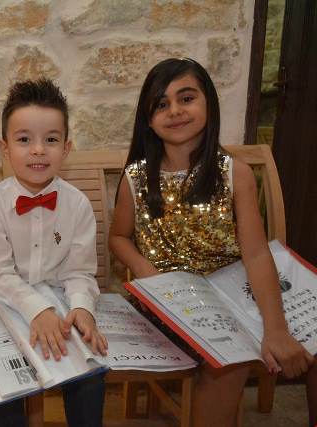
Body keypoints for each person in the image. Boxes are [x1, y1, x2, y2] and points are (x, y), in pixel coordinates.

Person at [108, 57, 314, 427]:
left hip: (231, 294)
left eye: (186, 98)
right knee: (231, 360)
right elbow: (118, 237)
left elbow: (256, 254)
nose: (175, 111)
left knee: (309, 335)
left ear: (209, 104)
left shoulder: (235, 173)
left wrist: (276, 329)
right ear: (148, 119)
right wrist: (145, 270)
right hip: (167, 301)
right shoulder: (136, 178)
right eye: (161, 104)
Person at [0, 79, 108, 427]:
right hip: (8, 303)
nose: (38, 150)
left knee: (90, 372)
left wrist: (82, 308)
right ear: (5, 149)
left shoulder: (77, 204)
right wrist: (37, 310)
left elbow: (79, 272)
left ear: (66, 148)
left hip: (61, 302)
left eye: (50, 140)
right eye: (24, 140)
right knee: (4, 379)